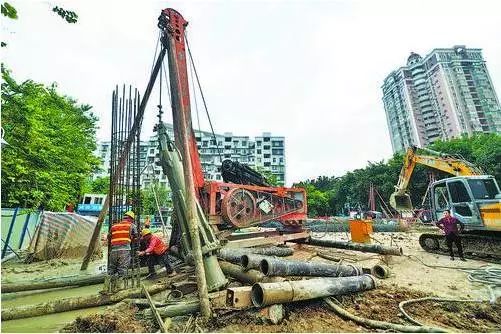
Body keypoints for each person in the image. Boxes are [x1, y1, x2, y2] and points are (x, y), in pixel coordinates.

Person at [107, 211, 138, 291]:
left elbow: (109, 237)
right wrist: (131, 239)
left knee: (111, 269)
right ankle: (118, 289)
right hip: (125, 250)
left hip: (113, 250)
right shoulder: (132, 225)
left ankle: (106, 287)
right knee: (122, 269)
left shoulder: (114, 226)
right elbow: (136, 237)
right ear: (131, 219)